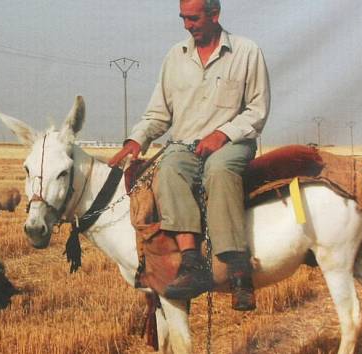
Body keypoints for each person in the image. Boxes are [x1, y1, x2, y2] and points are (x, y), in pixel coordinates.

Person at [109, 0, 270, 311]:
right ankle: (191, 262)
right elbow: (159, 113)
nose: (187, 25)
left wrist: (222, 134)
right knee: (168, 169)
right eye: (183, 18)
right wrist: (136, 139)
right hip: (185, 145)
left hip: (232, 143)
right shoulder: (175, 57)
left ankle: (238, 272)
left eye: (193, 18)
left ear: (214, 15)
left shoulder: (247, 51)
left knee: (219, 172)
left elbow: (257, 110)